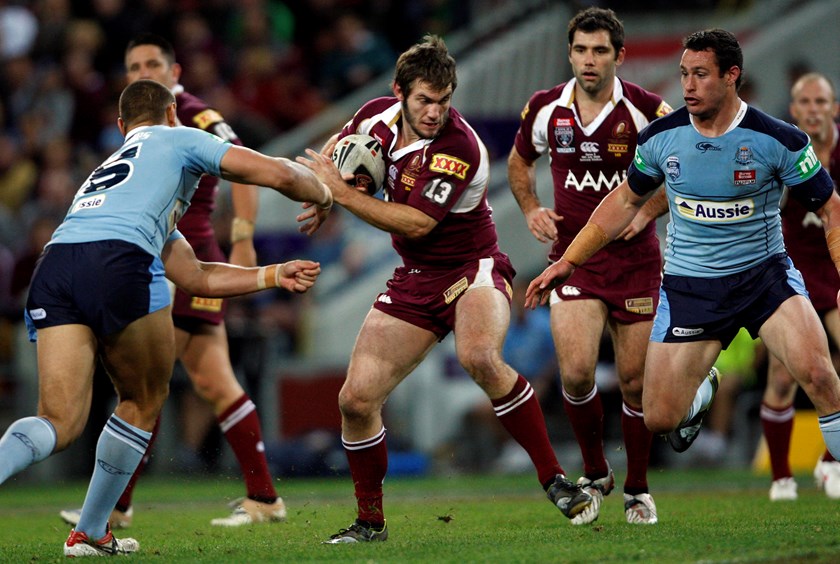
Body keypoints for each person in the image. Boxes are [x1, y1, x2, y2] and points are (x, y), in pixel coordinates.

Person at [0, 79, 331, 556]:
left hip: (56, 265)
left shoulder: (110, 174)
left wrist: (272, 274)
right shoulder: (176, 137)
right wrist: (323, 192)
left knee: (57, 420)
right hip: (119, 260)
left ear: (120, 127)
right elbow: (274, 172)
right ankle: (92, 530)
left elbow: (195, 276)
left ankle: (88, 529)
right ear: (174, 113)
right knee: (143, 398)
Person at [299, 34, 592, 544]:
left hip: (470, 267)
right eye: (424, 101)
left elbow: (415, 223)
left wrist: (340, 194)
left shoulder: (459, 146)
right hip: (416, 277)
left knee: (479, 355)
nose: (435, 112)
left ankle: (555, 480)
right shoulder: (374, 115)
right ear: (398, 94)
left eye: (444, 100)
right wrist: (325, 191)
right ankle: (370, 523)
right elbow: (337, 149)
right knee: (355, 400)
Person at [525, 28, 840, 488]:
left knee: (820, 375)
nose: (688, 86)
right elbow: (626, 201)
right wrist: (567, 261)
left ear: (732, 76)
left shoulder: (780, 140)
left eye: (700, 75)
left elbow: (829, 208)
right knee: (659, 419)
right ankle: (702, 385)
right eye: (683, 75)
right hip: (691, 287)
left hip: (765, 279)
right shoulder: (659, 138)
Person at [59, 33, 286, 529]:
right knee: (192, 380)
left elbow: (244, 164)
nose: (143, 71)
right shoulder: (138, 124)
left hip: (191, 255)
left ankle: (117, 507)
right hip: (161, 254)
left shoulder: (195, 114)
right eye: (133, 64)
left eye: (152, 63)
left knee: (155, 380)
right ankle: (260, 497)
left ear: (174, 72)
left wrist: (244, 239)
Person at [507, 7, 671, 525]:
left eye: (600, 50)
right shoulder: (545, 109)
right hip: (573, 264)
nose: (589, 60)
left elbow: (684, 167)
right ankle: (597, 470)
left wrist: (645, 211)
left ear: (620, 56)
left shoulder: (647, 110)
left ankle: (639, 489)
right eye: (580, 49)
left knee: (634, 381)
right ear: (569, 52)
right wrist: (531, 207)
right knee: (575, 375)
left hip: (636, 264)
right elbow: (518, 162)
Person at [761, 72, 840, 501]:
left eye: (821, 102)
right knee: (782, 374)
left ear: (834, 108)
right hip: (794, 271)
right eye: (805, 102)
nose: (813, 109)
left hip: (837, 267)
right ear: (794, 110)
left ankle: (830, 462)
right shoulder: (782, 149)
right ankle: (781, 478)